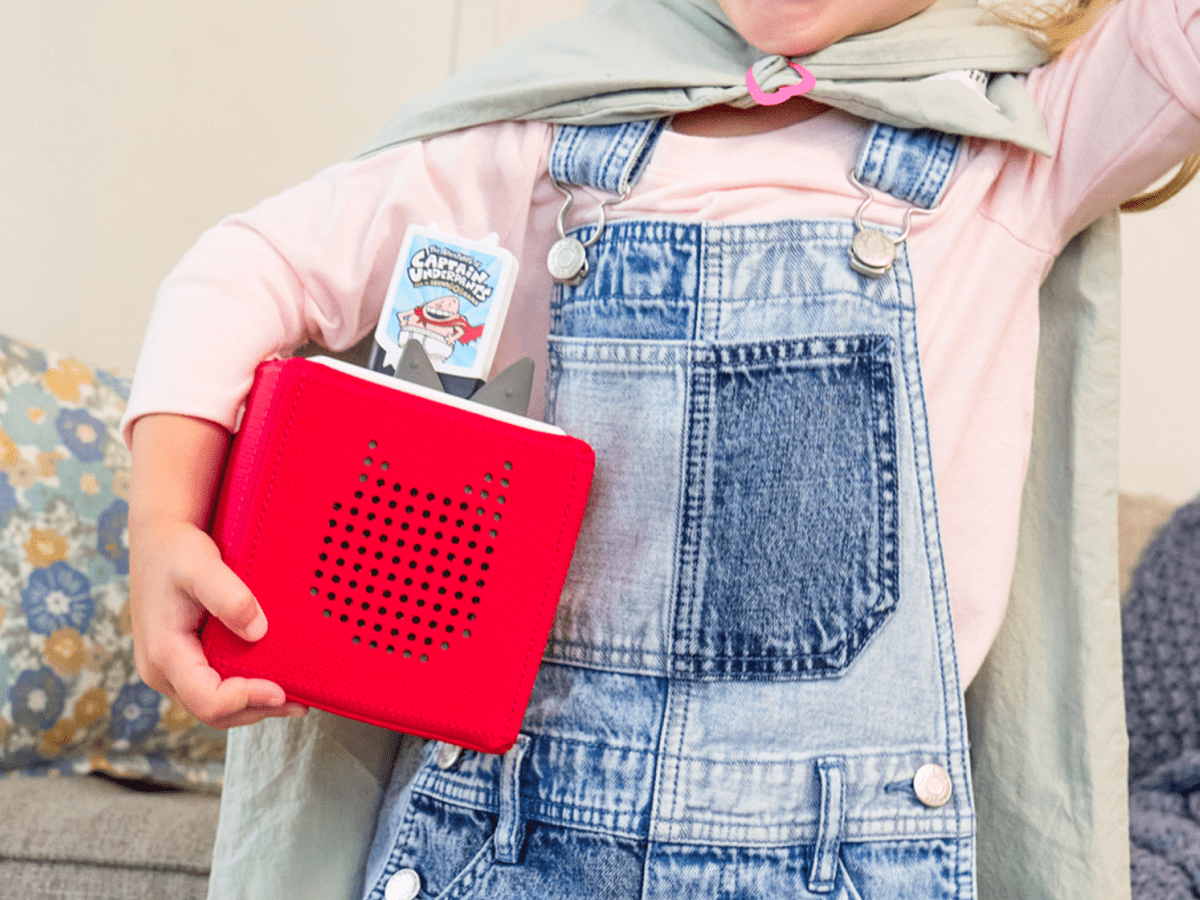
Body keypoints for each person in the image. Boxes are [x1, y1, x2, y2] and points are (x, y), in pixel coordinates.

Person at [124, 0, 1200, 897]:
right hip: (515, 836)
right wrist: (165, 517)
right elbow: (255, 266)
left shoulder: (1010, 157)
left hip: (849, 858)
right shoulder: (550, 149)